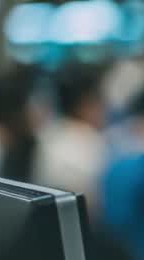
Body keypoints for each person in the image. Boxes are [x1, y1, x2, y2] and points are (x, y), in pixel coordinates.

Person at [34, 64, 108, 211]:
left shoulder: (46, 134)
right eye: (100, 102)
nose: (104, 110)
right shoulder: (90, 141)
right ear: (85, 104)